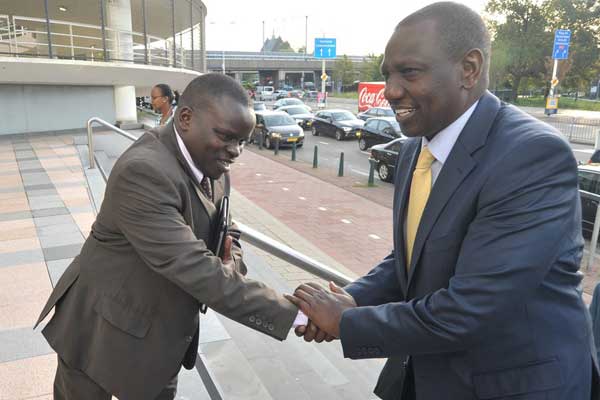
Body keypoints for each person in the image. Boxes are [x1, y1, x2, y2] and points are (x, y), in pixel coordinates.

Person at [287, 2, 600, 399]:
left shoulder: (531, 155)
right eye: (387, 74)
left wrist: (347, 322)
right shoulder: (416, 147)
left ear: (469, 69)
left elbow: (471, 309)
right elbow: (418, 255)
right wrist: (353, 297)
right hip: (431, 376)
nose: (391, 90)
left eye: (409, 72)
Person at [34, 74, 299, 400]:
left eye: (242, 141)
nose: (235, 152)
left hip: (158, 337)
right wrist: (299, 313)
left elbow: (229, 230)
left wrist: (231, 262)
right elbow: (197, 268)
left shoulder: (213, 166)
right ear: (186, 118)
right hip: (99, 330)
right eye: (227, 137)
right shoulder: (144, 171)